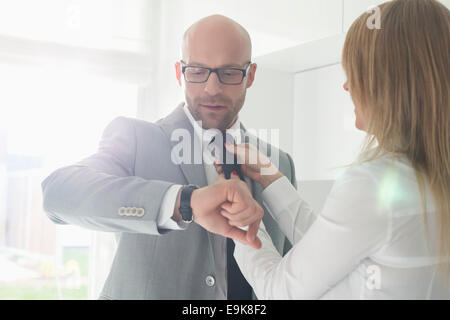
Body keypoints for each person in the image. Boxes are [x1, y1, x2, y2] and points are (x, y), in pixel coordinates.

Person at [41, 14, 297, 299]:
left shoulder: (279, 163)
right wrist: (185, 202)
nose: (212, 88)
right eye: (198, 71)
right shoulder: (135, 139)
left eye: (229, 72)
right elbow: (57, 194)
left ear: (250, 75)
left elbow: (292, 278)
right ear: (179, 73)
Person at [215, 0, 450, 299]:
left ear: (388, 84)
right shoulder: (427, 175)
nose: (347, 86)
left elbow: (279, 291)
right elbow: (335, 244)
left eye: (356, 72)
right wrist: (268, 177)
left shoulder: (375, 183)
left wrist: (245, 225)